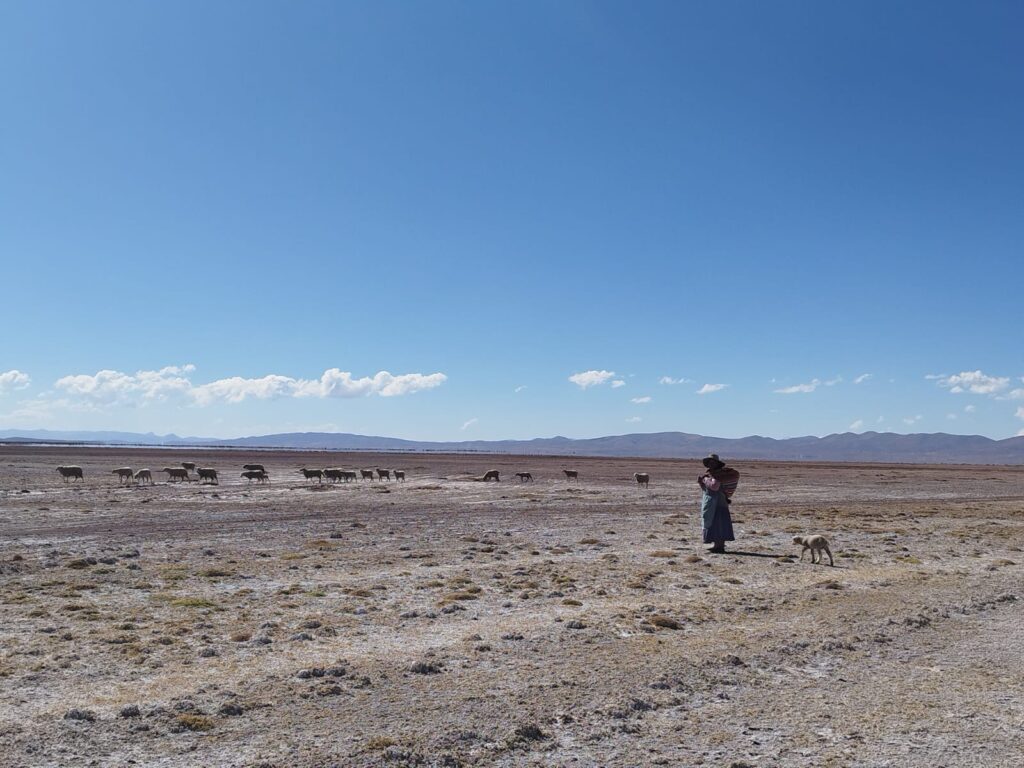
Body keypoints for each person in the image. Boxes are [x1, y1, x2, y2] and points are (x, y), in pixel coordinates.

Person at [698, 453, 735, 554]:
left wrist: (704, 480)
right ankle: (716, 545)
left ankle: (720, 546)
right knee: (714, 522)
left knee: (719, 522)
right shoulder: (711, 474)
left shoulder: (718, 474)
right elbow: (707, 489)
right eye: (709, 462)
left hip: (719, 503)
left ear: (717, 463)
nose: (711, 464)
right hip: (711, 502)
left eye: (713, 462)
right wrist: (702, 482)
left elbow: (714, 486)